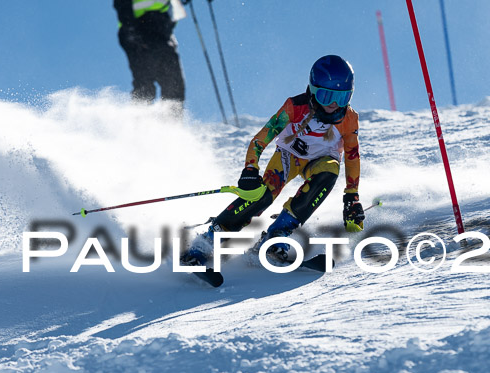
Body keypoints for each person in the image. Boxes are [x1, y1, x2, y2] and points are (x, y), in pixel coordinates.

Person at [182, 54, 365, 266]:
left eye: (341, 98)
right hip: (289, 156)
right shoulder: (295, 107)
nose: (333, 105)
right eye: (326, 96)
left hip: (321, 161)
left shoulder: (349, 118)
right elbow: (260, 140)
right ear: (313, 90)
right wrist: (250, 170)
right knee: (261, 196)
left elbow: (352, 156)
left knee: (329, 172)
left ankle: (275, 238)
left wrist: (352, 196)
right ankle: (206, 242)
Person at [113, 0, 185, 103]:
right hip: (138, 26)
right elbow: (122, 3)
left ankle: (172, 117)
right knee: (145, 83)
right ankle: (140, 114)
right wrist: (131, 29)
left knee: (173, 83)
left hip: (160, 31)